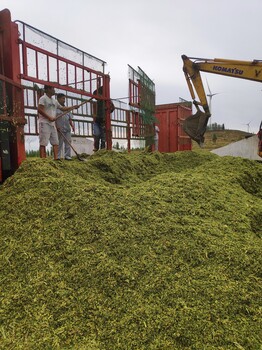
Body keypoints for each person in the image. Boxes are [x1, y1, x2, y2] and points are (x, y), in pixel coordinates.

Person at [37, 85, 79, 160]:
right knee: (43, 142)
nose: (54, 90)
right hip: (44, 123)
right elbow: (40, 110)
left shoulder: (54, 101)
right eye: (52, 88)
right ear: (47, 89)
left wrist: (72, 107)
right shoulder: (43, 98)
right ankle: (42, 160)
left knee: (56, 142)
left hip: (52, 124)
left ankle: (56, 159)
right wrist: (49, 117)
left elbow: (62, 108)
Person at [93, 86, 115, 151]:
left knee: (103, 137)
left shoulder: (107, 101)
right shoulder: (98, 101)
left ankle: (102, 151)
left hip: (104, 121)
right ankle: (96, 149)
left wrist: (108, 111)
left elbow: (113, 108)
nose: (96, 97)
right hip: (97, 121)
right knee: (97, 135)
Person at [55, 93, 75, 160]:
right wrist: (56, 126)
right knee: (59, 143)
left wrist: (72, 126)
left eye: (64, 99)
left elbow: (70, 118)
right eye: (63, 98)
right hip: (59, 129)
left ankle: (67, 156)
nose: (64, 100)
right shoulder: (56, 109)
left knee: (68, 143)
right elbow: (54, 119)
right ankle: (57, 157)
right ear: (58, 99)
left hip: (67, 129)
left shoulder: (67, 109)